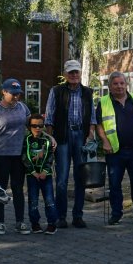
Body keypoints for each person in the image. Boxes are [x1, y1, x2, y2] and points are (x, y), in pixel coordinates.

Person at [45, 59, 96, 229]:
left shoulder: (87, 92)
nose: (74, 75)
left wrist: (90, 134)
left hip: (81, 136)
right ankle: (61, 216)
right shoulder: (56, 91)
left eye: (77, 72)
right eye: (71, 72)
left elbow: (92, 117)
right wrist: (50, 140)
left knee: (81, 178)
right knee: (61, 179)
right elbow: (50, 116)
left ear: (80, 73)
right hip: (62, 137)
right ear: (65, 74)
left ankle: (78, 216)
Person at [96, 71, 133, 225]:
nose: (119, 86)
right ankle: (116, 213)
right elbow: (99, 125)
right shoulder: (104, 102)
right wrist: (104, 141)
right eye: (115, 84)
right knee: (114, 184)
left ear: (126, 85)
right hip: (114, 151)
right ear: (110, 87)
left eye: (122, 83)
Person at [0, 78, 30, 235]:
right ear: (4, 92)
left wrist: (48, 137)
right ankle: (0, 222)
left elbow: (34, 126)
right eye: (13, 94)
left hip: (18, 156)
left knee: (18, 189)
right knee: (0, 189)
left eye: (18, 94)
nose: (16, 97)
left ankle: (20, 222)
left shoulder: (23, 108)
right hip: (0, 155)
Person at [23, 113, 59, 234]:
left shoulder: (47, 140)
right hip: (32, 175)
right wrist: (33, 172)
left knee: (49, 200)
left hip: (46, 175)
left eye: (40, 125)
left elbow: (50, 156)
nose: (37, 128)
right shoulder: (26, 140)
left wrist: (44, 171)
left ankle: (52, 223)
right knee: (33, 200)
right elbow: (25, 157)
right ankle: (35, 223)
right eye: (34, 126)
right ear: (29, 127)